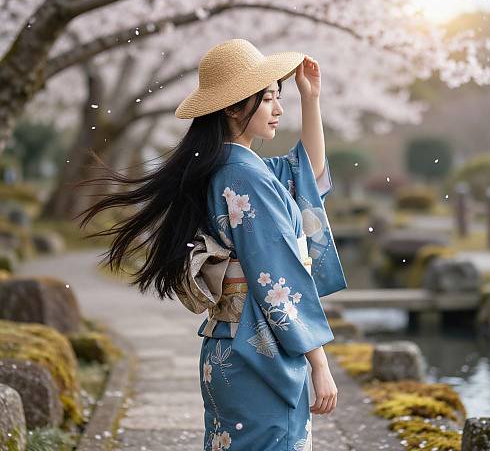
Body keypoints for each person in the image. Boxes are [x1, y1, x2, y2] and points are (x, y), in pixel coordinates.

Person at [75, 38, 348, 451]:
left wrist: (311, 101)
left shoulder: (225, 167)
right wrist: (320, 363)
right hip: (259, 348)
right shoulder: (244, 177)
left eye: (279, 97)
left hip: (230, 346)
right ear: (234, 107)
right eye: (268, 99)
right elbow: (278, 273)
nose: (279, 109)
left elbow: (305, 176)